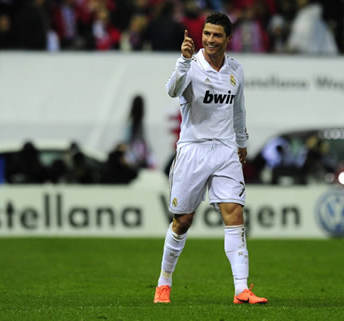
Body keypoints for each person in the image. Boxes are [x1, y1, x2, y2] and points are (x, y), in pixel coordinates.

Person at [153, 12, 268, 305]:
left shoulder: (236, 70)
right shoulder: (191, 66)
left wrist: (241, 143)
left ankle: (241, 289)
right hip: (193, 149)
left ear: (229, 39)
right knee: (183, 221)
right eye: (206, 34)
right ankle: (163, 283)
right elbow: (171, 90)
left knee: (235, 213)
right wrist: (183, 61)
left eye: (217, 35)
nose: (210, 40)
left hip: (226, 150)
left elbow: (238, 109)